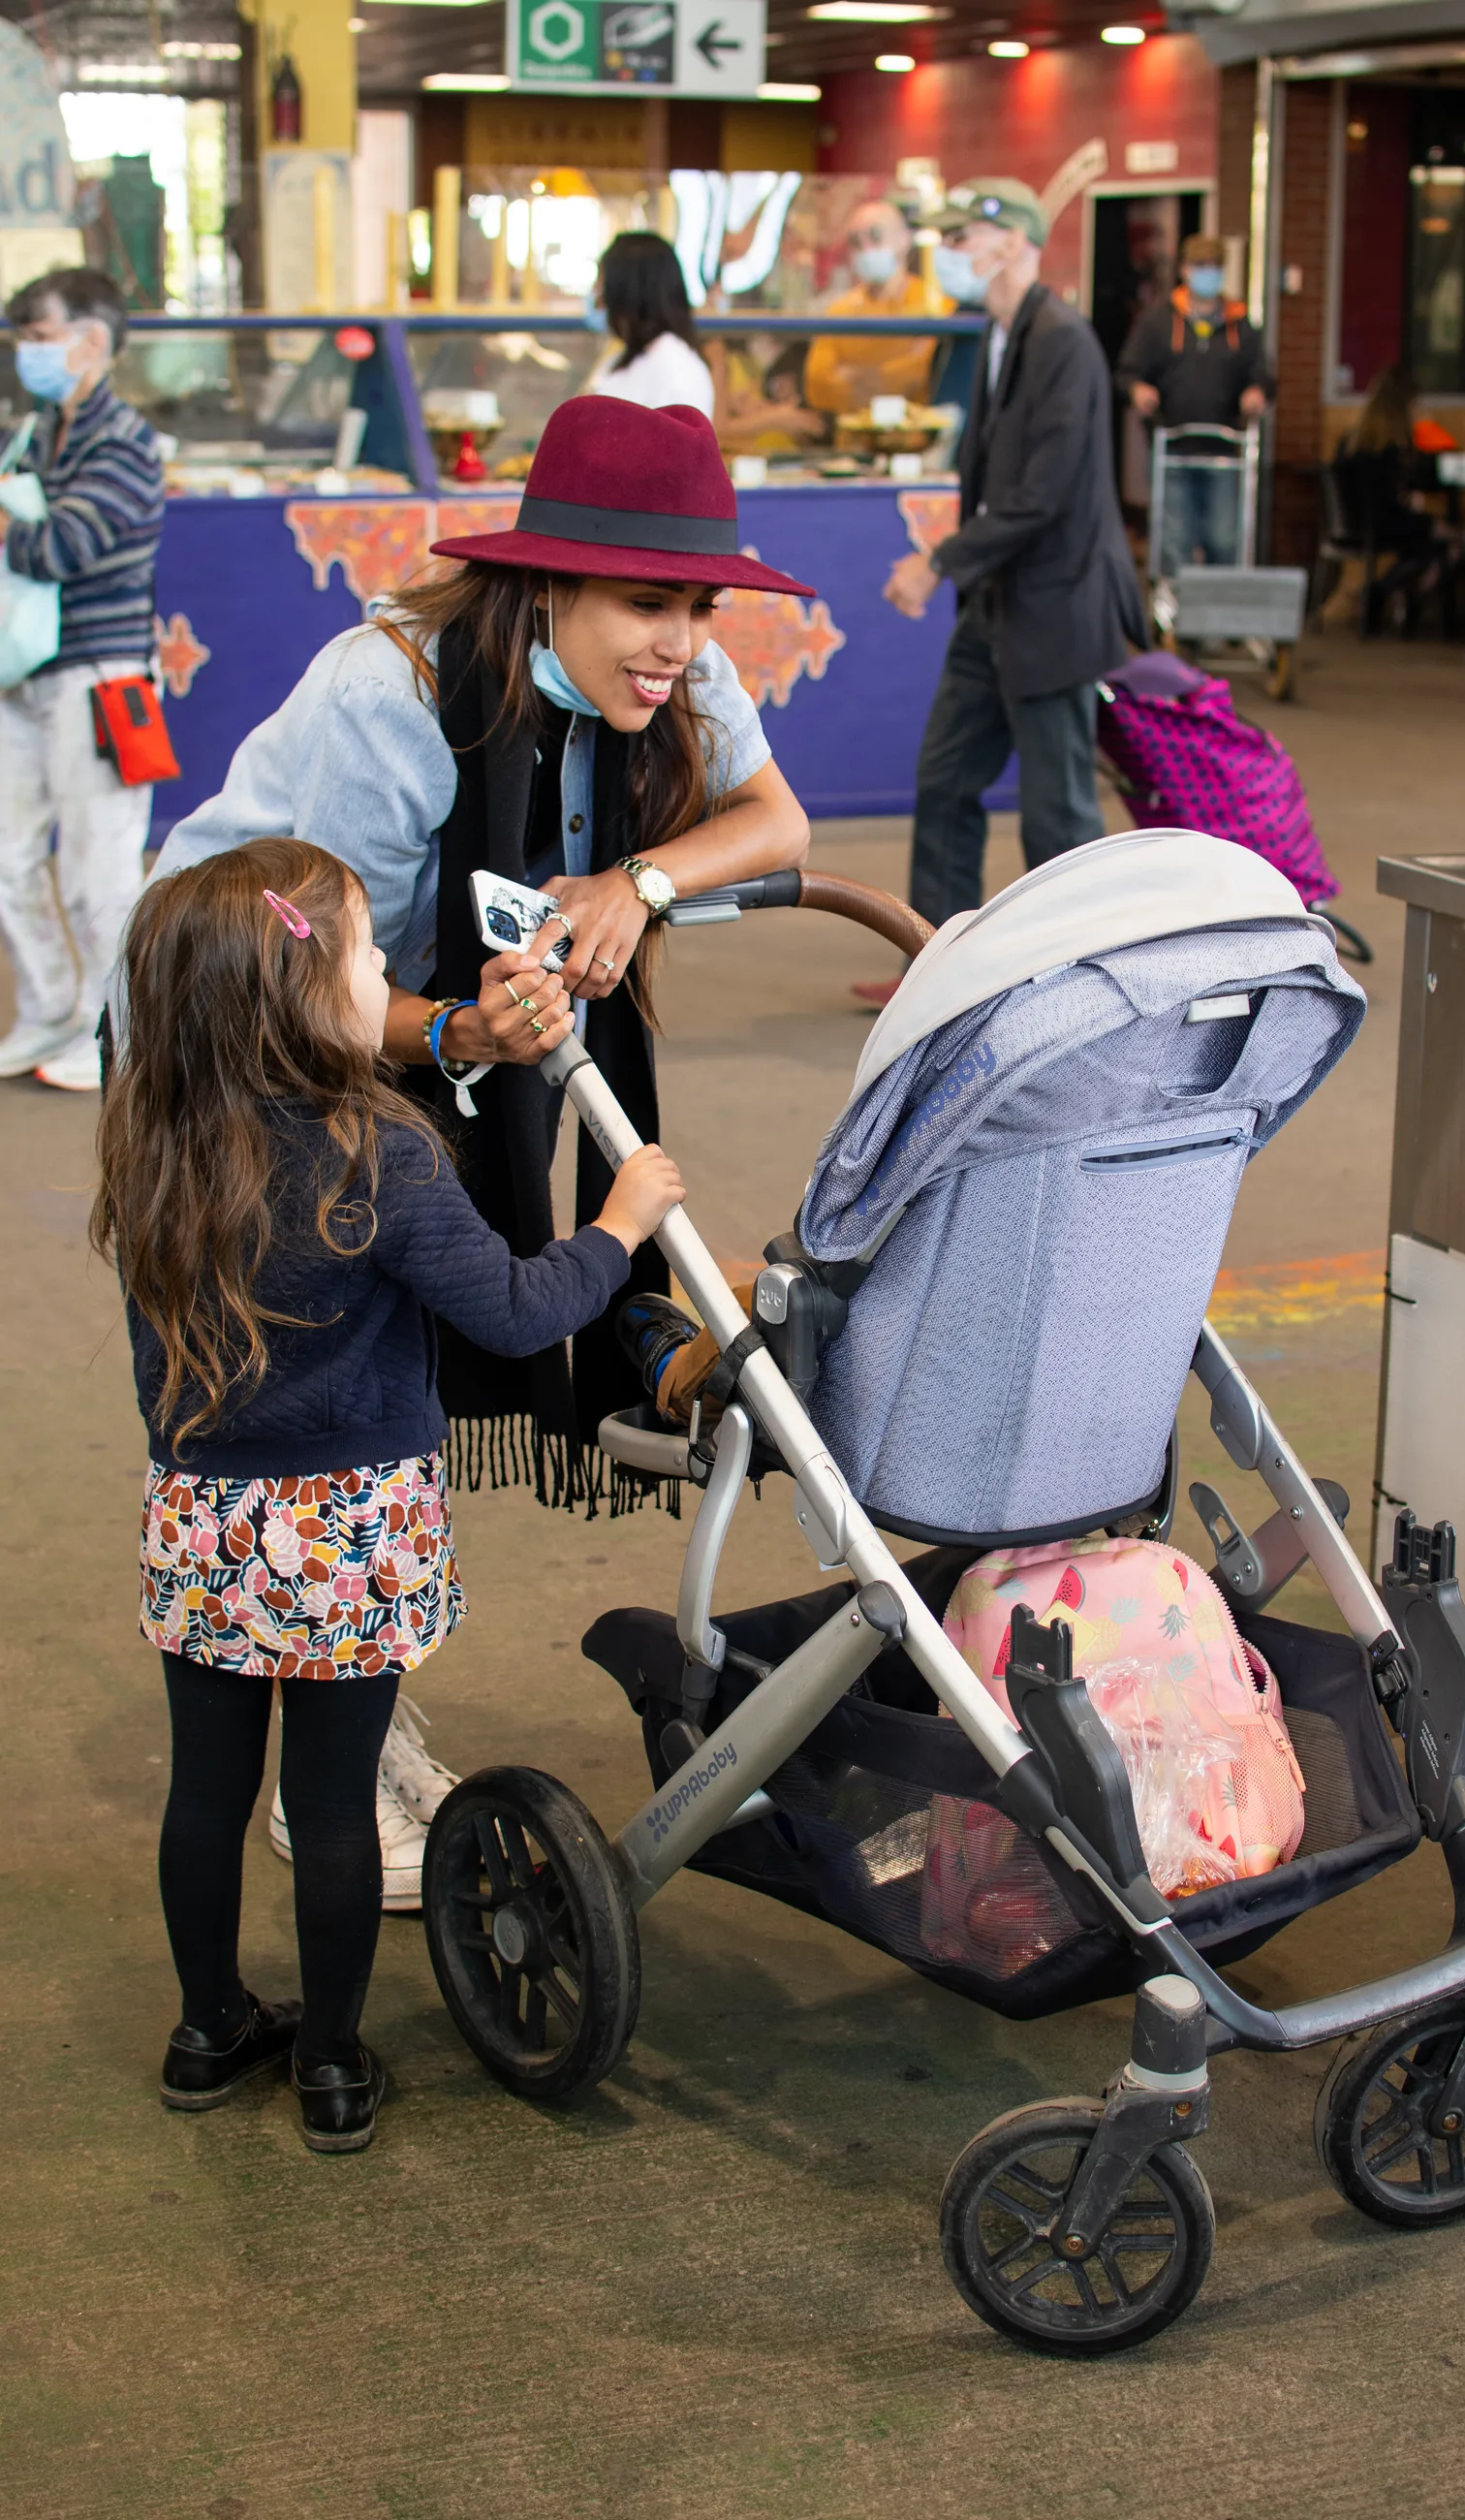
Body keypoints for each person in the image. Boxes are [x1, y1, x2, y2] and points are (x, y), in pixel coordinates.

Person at [146, 394, 811, 1899]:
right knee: (334, 1413)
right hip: (239, 1037)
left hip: (418, 1026)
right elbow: (308, 987)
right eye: (646, 604)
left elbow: (773, 820)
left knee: (401, 1400)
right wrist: (455, 1034)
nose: (680, 642)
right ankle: (330, 1764)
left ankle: (350, 1713)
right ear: (549, 582)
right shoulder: (386, 704)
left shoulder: (667, 671)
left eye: (700, 607)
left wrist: (636, 880)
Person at [97, 837, 682, 2151]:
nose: (385, 977)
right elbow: (517, 1311)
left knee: (206, 1795)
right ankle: (331, 2063)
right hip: (348, 1531)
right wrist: (620, 1224)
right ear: (302, 996)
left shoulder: (154, 1146)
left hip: (203, 1520)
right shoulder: (380, 1153)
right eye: (366, 954)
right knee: (329, 1804)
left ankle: (206, 2032)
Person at [880, 177, 1145, 951]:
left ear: (1014, 243)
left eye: (959, 238)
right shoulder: (997, 337)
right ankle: (935, 959)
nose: (946, 253)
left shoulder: (1062, 341)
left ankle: (1081, 966)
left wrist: (938, 561)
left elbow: (1043, 495)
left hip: (1055, 608)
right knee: (946, 778)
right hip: (996, 605)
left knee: (1057, 814)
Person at [0, 265, 165, 1091]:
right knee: (10, 855)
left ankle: (117, 1030)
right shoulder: (33, 434)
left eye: (40, 336)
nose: (26, 353)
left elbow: (64, 545)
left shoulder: (124, 440)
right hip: (20, 673)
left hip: (101, 680)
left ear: (92, 341)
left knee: (98, 868)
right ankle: (48, 1010)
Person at [1115, 236, 1270, 575]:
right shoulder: (1158, 322)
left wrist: (1256, 392)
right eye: (1201, 267)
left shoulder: (1241, 325)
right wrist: (1139, 389)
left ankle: (1219, 604)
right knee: (1174, 541)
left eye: (1215, 267)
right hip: (1172, 448)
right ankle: (1176, 606)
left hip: (1225, 452)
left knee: (1224, 540)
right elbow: (1128, 371)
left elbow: (1262, 374)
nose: (1208, 274)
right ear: (1185, 271)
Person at [1335, 366, 1456, 632]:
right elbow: (1404, 495)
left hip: (1353, 526)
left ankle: (1394, 596)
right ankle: (1391, 593)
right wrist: (1425, 426)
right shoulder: (1393, 450)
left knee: (1425, 545)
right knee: (1449, 541)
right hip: (1386, 524)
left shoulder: (1351, 442)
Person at [804, 197, 948, 419]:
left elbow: (923, 374)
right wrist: (889, 377)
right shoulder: (839, 311)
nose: (865, 248)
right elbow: (817, 387)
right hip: (852, 436)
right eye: (855, 242)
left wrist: (853, 375)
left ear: (904, 239)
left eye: (875, 236)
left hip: (914, 434)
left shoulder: (935, 304)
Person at [583, 231, 714, 419]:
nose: (596, 295)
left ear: (627, 289)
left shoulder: (676, 369)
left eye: (601, 283)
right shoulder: (622, 360)